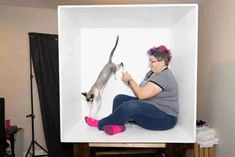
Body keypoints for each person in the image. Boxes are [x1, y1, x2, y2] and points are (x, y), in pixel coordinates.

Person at [85, 45, 179, 135]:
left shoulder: (164, 76)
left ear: (162, 61)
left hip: (164, 118)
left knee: (131, 106)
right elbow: (141, 93)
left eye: (152, 61)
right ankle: (118, 126)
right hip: (153, 108)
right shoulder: (152, 73)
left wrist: (130, 80)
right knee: (119, 98)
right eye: (149, 61)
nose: (150, 64)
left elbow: (141, 95)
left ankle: (101, 123)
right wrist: (128, 83)